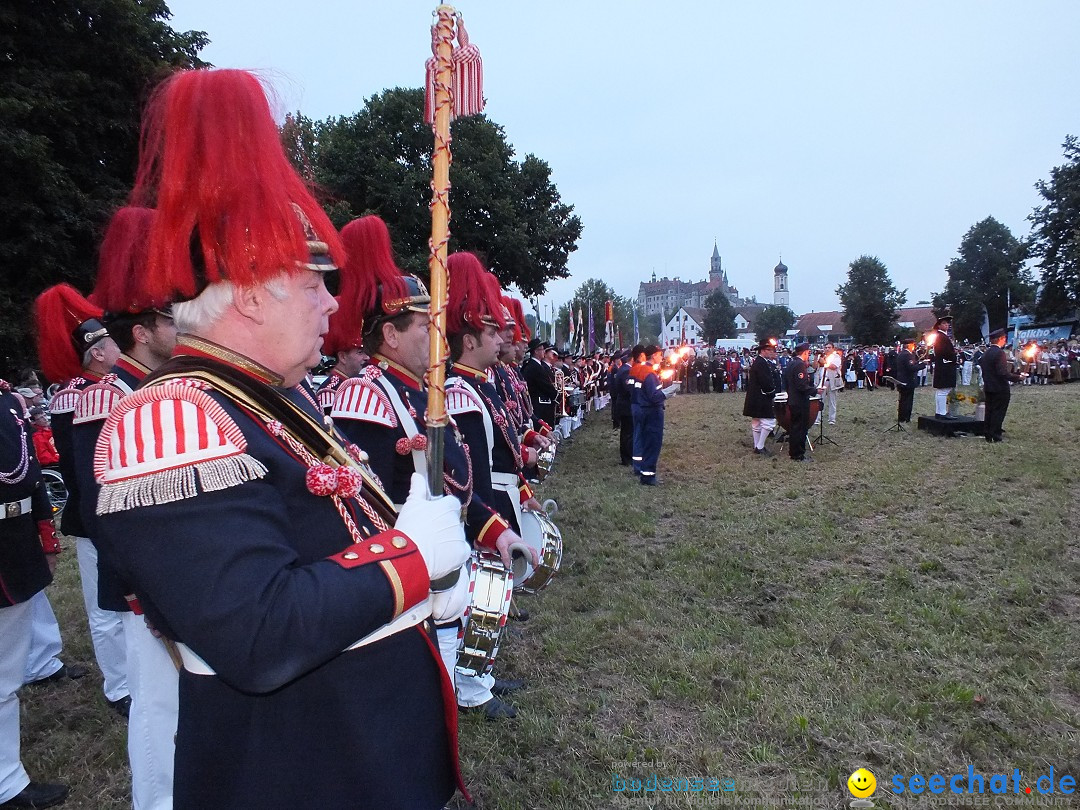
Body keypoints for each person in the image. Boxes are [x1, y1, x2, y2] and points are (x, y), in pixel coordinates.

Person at [92, 68, 470, 809]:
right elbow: (259, 634)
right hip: (298, 771)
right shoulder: (170, 419)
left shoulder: (271, 399)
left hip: (357, 752)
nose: (334, 304)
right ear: (255, 290)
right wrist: (412, 560)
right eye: (314, 283)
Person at [330, 219, 522, 721]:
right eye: (425, 327)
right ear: (390, 335)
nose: (439, 337)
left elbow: (452, 485)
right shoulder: (364, 397)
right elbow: (368, 510)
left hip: (441, 562)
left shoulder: (421, 391)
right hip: (403, 577)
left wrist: (495, 532)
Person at [71, 205, 181, 809]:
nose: (182, 326)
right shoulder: (110, 396)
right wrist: (141, 586)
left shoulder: (158, 384)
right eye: (172, 317)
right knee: (156, 710)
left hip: (173, 577)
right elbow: (99, 504)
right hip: (144, 589)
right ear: (142, 329)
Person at [33, 284, 129, 714]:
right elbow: (78, 465)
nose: (117, 346)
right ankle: (118, 686)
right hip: (91, 513)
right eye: (109, 341)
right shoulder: (76, 395)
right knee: (103, 608)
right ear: (96, 352)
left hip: (109, 511)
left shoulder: (109, 385)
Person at [0, 380, 69, 810]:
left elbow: (31, 483)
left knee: (4, 675)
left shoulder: (8, 400)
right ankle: (6, 784)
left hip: (13, 545)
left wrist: (45, 536)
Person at [630, 345, 671, 484]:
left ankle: (643, 471)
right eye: (660, 354)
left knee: (644, 440)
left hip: (642, 408)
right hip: (652, 411)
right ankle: (648, 476)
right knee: (652, 443)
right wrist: (668, 393)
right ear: (653, 355)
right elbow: (654, 396)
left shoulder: (641, 369)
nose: (661, 357)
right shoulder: (649, 373)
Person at [979, 328, 1023, 443]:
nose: (1005, 341)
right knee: (999, 411)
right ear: (1000, 339)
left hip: (988, 386)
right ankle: (996, 434)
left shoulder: (986, 353)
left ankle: (988, 433)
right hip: (999, 387)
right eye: (1004, 339)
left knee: (989, 411)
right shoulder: (999, 353)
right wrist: (1018, 377)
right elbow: (1002, 372)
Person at [743, 338, 780, 455]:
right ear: (762, 350)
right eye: (769, 349)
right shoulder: (761, 363)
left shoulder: (761, 362)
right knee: (769, 422)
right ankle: (759, 446)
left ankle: (757, 445)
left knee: (757, 422)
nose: (771, 352)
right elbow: (766, 382)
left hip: (755, 397)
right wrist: (772, 393)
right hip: (761, 397)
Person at [782, 342, 817, 463]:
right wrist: (815, 390)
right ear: (806, 352)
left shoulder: (791, 363)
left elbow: (786, 382)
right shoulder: (799, 365)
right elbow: (801, 386)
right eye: (808, 353)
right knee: (800, 428)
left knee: (795, 427)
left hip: (793, 399)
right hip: (800, 401)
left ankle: (794, 452)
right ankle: (798, 454)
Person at [929, 315, 957, 417]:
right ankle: (941, 412)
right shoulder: (942, 337)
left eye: (947, 323)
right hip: (945, 366)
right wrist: (954, 357)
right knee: (943, 390)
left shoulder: (942, 336)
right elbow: (944, 352)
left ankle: (939, 411)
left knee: (942, 390)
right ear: (939, 325)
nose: (947, 325)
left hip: (943, 365)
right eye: (944, 323)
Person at [894, 338, 920, 424]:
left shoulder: (903, 354)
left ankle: (902, 417)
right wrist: (923, 365)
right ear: (908, 345)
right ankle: (905, 417)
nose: (914, 346)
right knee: (907, 400)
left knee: (903, 399)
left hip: (903, 380)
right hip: (907, 380)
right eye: (913, 344)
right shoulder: (907, 355)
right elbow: (910, 368)